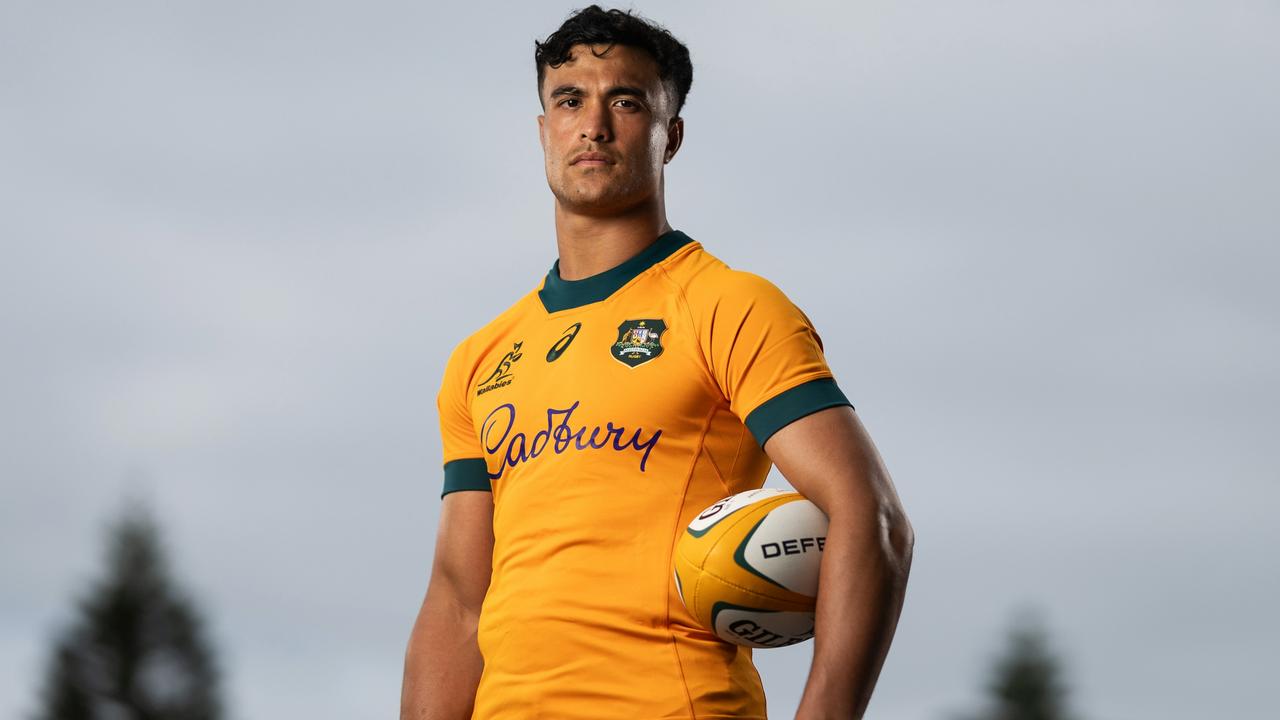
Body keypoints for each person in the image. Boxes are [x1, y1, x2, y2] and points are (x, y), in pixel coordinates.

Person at [400, 6, 913, 719]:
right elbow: (457, 601)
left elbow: (873, 516)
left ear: (670, 136)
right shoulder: (480, 359)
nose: (594, 124)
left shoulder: (728, 306)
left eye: (627, 101)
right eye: (570, 100)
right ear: (543, 129)